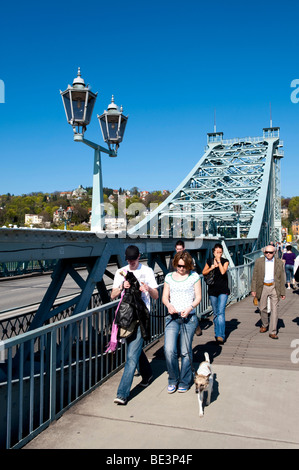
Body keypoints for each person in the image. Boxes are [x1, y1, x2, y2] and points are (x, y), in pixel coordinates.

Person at [111, 245, 159, 405]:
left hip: (142, 316)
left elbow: (156, 295)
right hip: (127, 317)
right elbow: (113, 295)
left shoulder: (148, 271)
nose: (131, 262)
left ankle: (122, 394)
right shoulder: (121, 272)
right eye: (129, 260)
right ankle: (148, 374)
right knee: (135, 350)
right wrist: (121, 287)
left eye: (134, 259)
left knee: (131, 357)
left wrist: (148, 288)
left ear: (139, 257)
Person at [162, 250, 201, 393]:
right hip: (172, 318)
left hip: (188, 318)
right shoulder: (169, 277)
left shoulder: (194, 277)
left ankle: (185, 380)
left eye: (184, 266)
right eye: (179, 266)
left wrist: (190, 307)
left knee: (185, 351)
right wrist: (169, 305)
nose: (181, 269)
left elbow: (198, 297)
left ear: (189, 265)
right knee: (169, 350)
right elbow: (165, 297)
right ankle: (173, 378)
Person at [251, 245, 286, 339]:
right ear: (264, 252)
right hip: (263, 287)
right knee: (262, 308)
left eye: (270, 252)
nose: (268, 254)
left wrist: (283, 292)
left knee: (274, 310)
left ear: (274, 253)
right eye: (266, 252)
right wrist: (253, 289)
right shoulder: (259, 261)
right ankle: (265, 324)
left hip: (275, 287)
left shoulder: (279, 262)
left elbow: (282, 278)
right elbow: (255, 276)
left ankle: (273, 331)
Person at [202, 243, 230, 344]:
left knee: (221, 312)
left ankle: (220, 335)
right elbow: (204, 272)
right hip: (212, 290)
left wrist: (219, 262)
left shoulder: (225, 261)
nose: (219, 254)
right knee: (215, 314)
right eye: (217, 252)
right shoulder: (209, 261)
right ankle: (217, 333)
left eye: (220, 252)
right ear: (213, 252)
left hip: (223, 290)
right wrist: (212, 267)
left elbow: (223, 272)